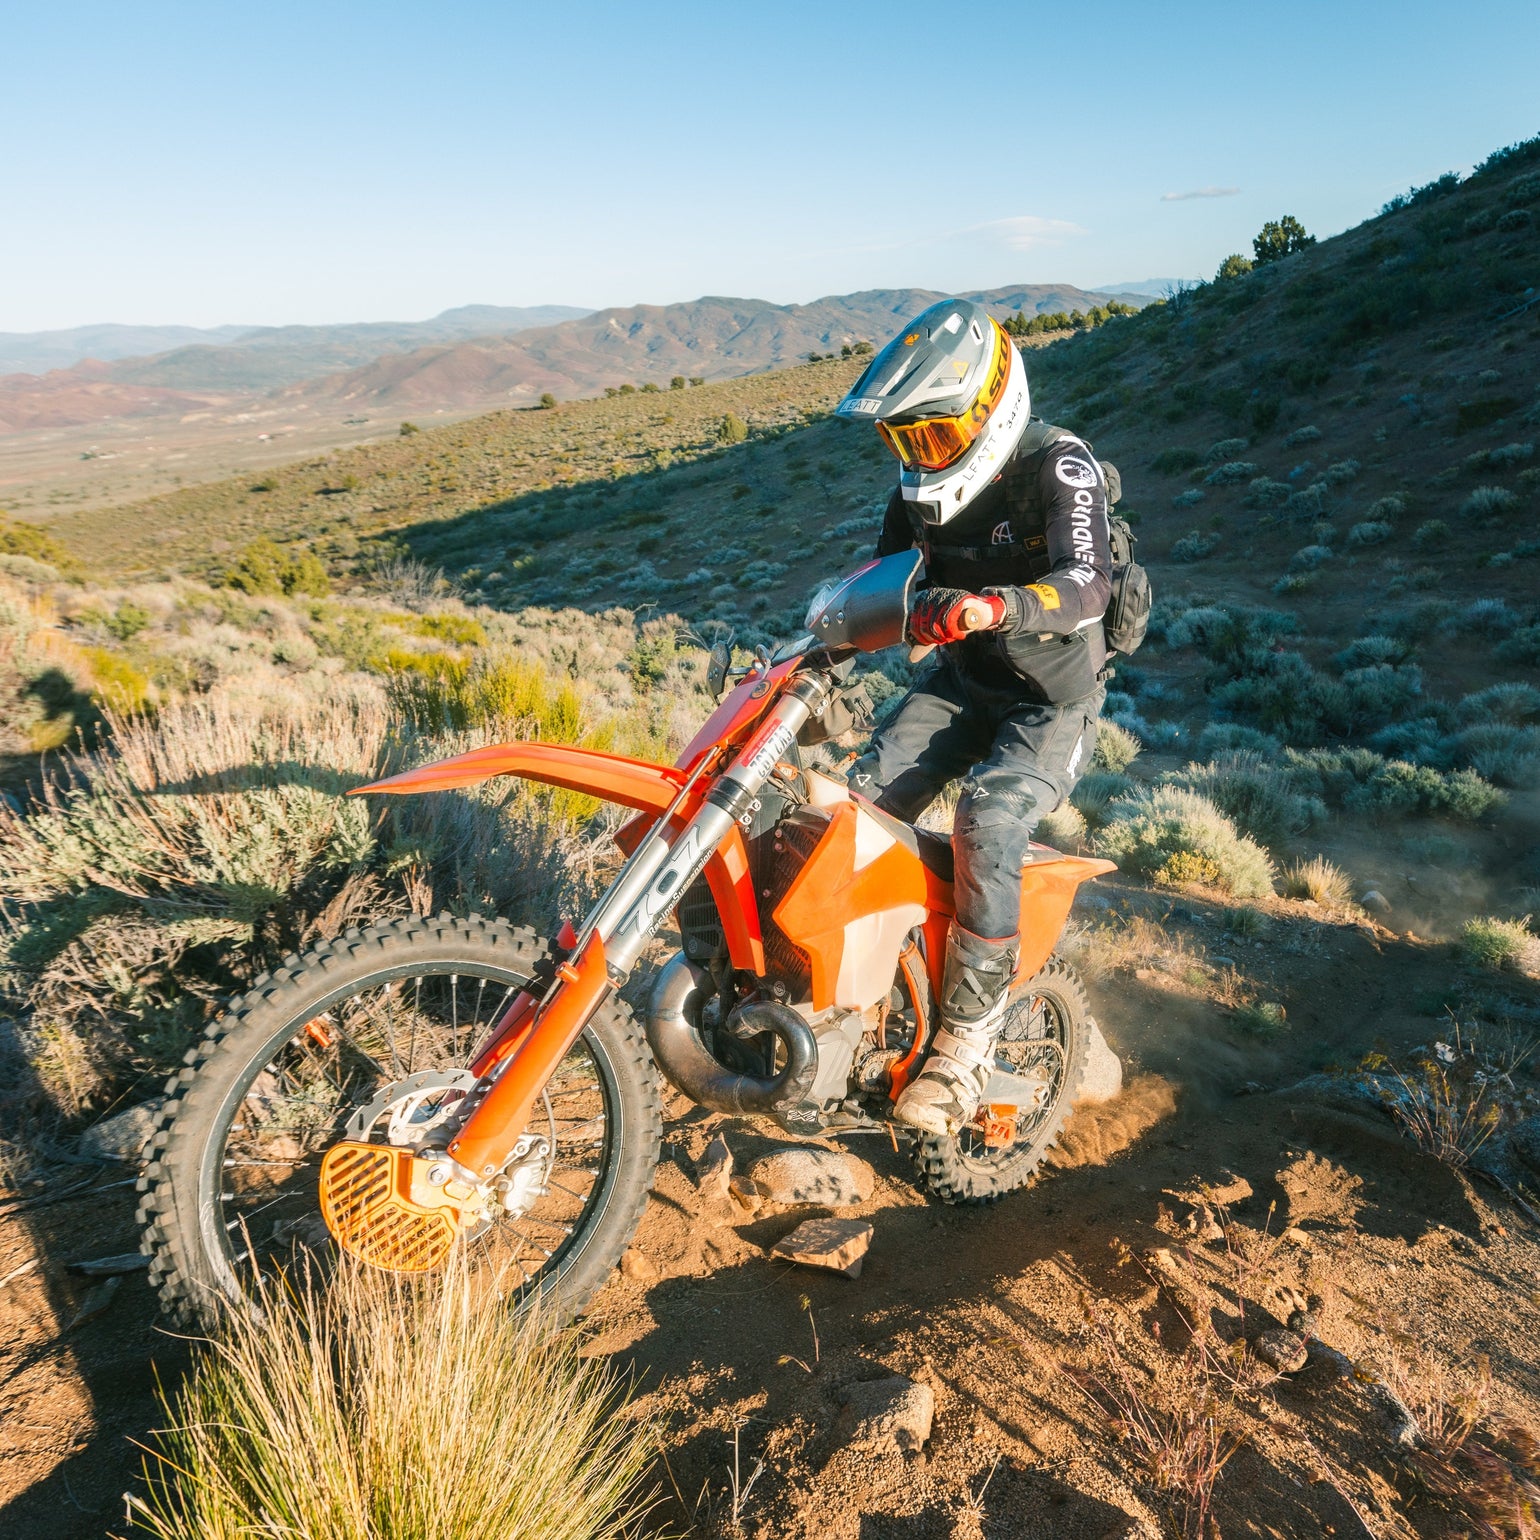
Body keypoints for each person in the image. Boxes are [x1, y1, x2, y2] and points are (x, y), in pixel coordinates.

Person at [835, 298, 1113, 1138]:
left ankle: (966, 1045)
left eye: (936, 434)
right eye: (906, 439)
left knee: (987, 819)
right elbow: (880, 586)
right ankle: (864, 997)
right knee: (856, 808)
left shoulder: (1058, 464)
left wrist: (999, 606)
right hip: (963, 683)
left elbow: (1089, 582)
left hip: (1050, 702)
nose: (922, 455)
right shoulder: (916, 495)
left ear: (994, 403)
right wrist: (825, 645)